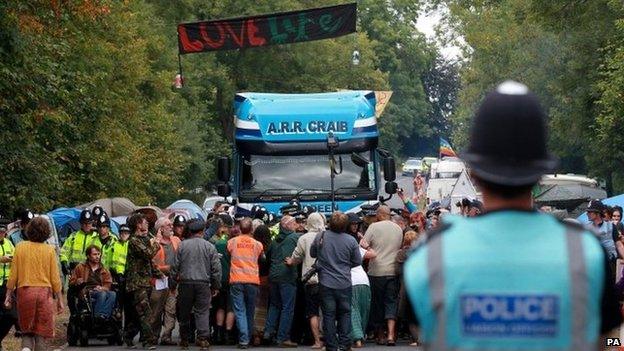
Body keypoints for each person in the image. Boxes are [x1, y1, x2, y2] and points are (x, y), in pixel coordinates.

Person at [404, 81, 623, 350]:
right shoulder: (585, 253)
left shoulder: (429, 255)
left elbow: (422, 333)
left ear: (473, 174)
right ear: (540, 177)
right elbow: (609, 340)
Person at [4, 217, 63, 351]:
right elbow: (55, 278)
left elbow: (13, 274)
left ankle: (26, 348)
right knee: (40, 333)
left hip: (25, 292)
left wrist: (8, 294)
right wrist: (59, 299)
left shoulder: (20, 248)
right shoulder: (49, 251)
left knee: (27, 331)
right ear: (46, 232)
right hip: (44, 294)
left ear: (29, 230)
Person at [310, 212, 362, 351]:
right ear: (345, 225)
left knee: (328, 314)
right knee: (345, 313)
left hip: (326, 282)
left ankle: (331, 345)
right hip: (344, 282)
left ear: (329, 224)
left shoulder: (321, 236)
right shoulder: (351, 241)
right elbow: (357, 261)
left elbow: (312, 253)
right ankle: (345, 343)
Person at [175, 218, 221, 350]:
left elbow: (175, 266)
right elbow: (216, 269)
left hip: (185, 283)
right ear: (202, 231)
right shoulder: (209, 246)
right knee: (202, 311)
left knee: (184, 312)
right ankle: (203, 339)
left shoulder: (182, 245)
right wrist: (215, 286)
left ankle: (184, 339)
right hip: (203, 284)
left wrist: (173, 283)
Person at [360, 205, 403, 345]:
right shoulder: (398, 228)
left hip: (376, 271)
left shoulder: (373, 227)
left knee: (377, 304)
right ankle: (391, 335)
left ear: (379, 214)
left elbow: (363, 244)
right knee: (391, 301)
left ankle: (380, 335)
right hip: (393, 270)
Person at [285, 212, 327, 349]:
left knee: (313, 312)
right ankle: (329, 338)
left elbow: (296, 257)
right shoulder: (328, 236)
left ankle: (317, 341)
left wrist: (290, 261)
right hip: (328, 279)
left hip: (311, 280)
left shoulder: (304, 238)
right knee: (328, 312)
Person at [124, 213, 161, 349]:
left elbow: (148, 262)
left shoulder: (144, 239)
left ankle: (128, 335)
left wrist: (158, 274)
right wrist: (156, 242)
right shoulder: (133, 241)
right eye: (144, 222)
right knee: (145, 311)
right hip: (136, 282)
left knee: (138, 312)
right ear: (138, 225)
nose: (146, 224)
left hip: (145, 281)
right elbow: (149, 253)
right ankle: (148, 341)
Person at [263, 215, 300, 347]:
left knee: (274, 305)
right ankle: (283, 337)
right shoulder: (295, 238)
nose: (297, 224)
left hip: (273, 276)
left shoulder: (274, 241)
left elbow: (267, 257)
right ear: (288, 226)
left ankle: (268, 331)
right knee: (287, 308)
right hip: (287, 276)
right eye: (295, 222)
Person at [228, 217, 265, 348]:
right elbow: (262, 259)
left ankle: (243, 339)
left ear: (240, 228)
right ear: (251, 229)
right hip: (252, 281)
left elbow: (229, 255)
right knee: (250, 311)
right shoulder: (257, 244)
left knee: (239, 310)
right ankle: (247, 337)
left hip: (236, 280)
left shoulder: (232, 242)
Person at [150, 217, 181, 346]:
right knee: (156, 310)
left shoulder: (176, 240)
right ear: (160, 228)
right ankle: (153, 336)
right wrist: (166, 268)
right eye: (168, 225)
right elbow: (151, 262)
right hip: (157, 280)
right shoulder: (152, 242)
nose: (171, 227)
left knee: (171, 309)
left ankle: (166, 336)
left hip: (173, 281)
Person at [69, 245, 116, 319]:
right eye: (94, 254)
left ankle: (103, 315)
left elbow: (108, 284)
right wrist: (77, 281)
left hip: (99, 290)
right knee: (102, 294)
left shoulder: (104, 269)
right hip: (86, 291)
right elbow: (71, 281)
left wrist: (102, 288)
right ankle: (97, 317)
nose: (97, 256)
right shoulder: (80, 267)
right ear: (88, 256)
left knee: (113, 294)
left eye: (98, 254)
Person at [209, 213, 235, 345]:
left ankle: (218, 334)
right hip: (231, 279)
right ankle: (227, 334)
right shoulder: (231, 244)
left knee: (219, 307)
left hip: (218, 279)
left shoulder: (213, 244)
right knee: (230, 307)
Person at [60, 209, 96, 273]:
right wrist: (64, 262)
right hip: (75, 271)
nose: (87, 225)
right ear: (80, 223)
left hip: (92, 272)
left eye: (89, 223)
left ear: (92, 223)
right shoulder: (73, 236)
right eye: (84, 223)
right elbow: (64, 252)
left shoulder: (97, 237)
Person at [585, 199, 618, 264]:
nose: (587, 214)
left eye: (589, 212)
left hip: (611, 264)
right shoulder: (586, 228)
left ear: (598, 213)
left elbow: (619, 245)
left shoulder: (611, 226)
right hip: (595, 265)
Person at [0, 223, 16, 350]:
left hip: (7, 285)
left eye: (3, 232)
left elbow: (16, 257)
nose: (2, 234)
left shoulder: (9, 243)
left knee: (11, 315)